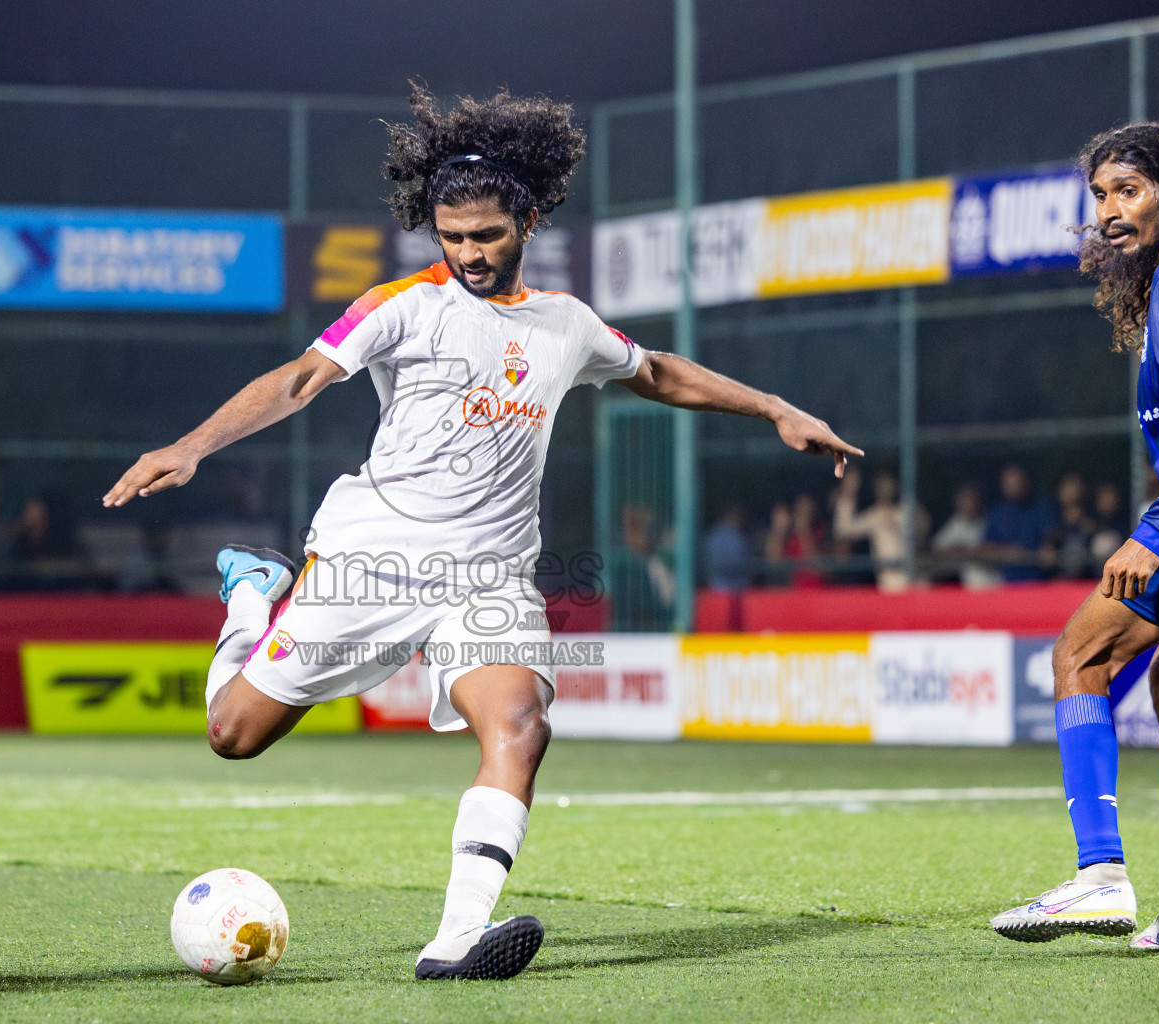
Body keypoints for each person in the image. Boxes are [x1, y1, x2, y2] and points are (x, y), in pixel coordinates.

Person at [103, 85, 862, 981]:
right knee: (234, 734)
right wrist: (191, 447)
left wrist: (774, 407)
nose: (467, 253)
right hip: (370, 559)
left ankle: (457, 937)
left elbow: (657, 372)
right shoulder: (401, 305)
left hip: (489, 577)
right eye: (451, 236)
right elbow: (301, 379)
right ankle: (250, 595)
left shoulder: (567, 324)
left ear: (528, 221)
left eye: (487, 235)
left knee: (521, 725)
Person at [991, 122, 1159, 951]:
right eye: (1100, 195)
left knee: (1078, 656)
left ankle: (1100, 876)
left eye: (1129, 190)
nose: (1110, 211)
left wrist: (1153, 534)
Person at [832, 468, 929, 593]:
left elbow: (923, 528)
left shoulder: (906, 511)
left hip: (912, 582)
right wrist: (848, 495)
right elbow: (844, 530)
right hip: (888, 584)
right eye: (881, 486)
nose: (885, 489)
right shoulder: (875, 515)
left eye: (888, 484)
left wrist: (894, 519)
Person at [981, 464, 1055, 582]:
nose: (1014, 487)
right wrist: (1006, 551)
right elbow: (987, 545)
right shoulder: (997, 512)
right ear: (1003, 486)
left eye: (1017, 482)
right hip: (1007, 579)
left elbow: (1051, 534)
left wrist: (1049, 547)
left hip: (1039, 578)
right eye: (1010, 484)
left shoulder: (1041, 506)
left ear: (1026, 482)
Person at [931, 483, 999, 589]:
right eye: (966, 500)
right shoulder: (956, 522)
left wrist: (973, 551)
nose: (969, 504)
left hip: (988, 574)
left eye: (972, 500)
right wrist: (961, 550)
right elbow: (938, 546)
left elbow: (991, 548)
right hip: (963, 576)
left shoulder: (988, 522)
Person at [1047, 472, 1098, 579]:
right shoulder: (1052, 519)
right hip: (1059, 580)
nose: (1073, 491)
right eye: (1069, 486)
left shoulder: (1094, 519)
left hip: (1088, 579)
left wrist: (1083, 522)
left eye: (1077, 486)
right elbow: (1048, 552)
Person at [701, 505, 752, 593]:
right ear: (729, 515)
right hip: (720, 588)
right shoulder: (716, 536)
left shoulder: (739, 535)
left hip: (738, 589)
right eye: (737, 515)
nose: (741, 519)